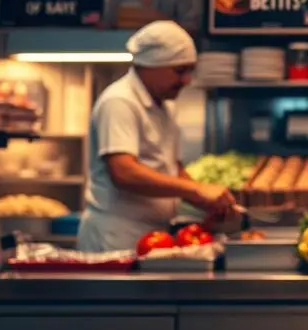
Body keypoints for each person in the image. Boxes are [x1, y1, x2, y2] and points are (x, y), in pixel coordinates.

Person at [77, 21, 236, 252]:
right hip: (117, 234)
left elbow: (172, 169)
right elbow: (124, 172)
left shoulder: (165, 106)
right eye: (179, 71)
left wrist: (206, 201)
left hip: (153, 233)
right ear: (150, 65)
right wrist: (195, 189)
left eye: (190, 71)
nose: (187, 80)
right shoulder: (120, 101)